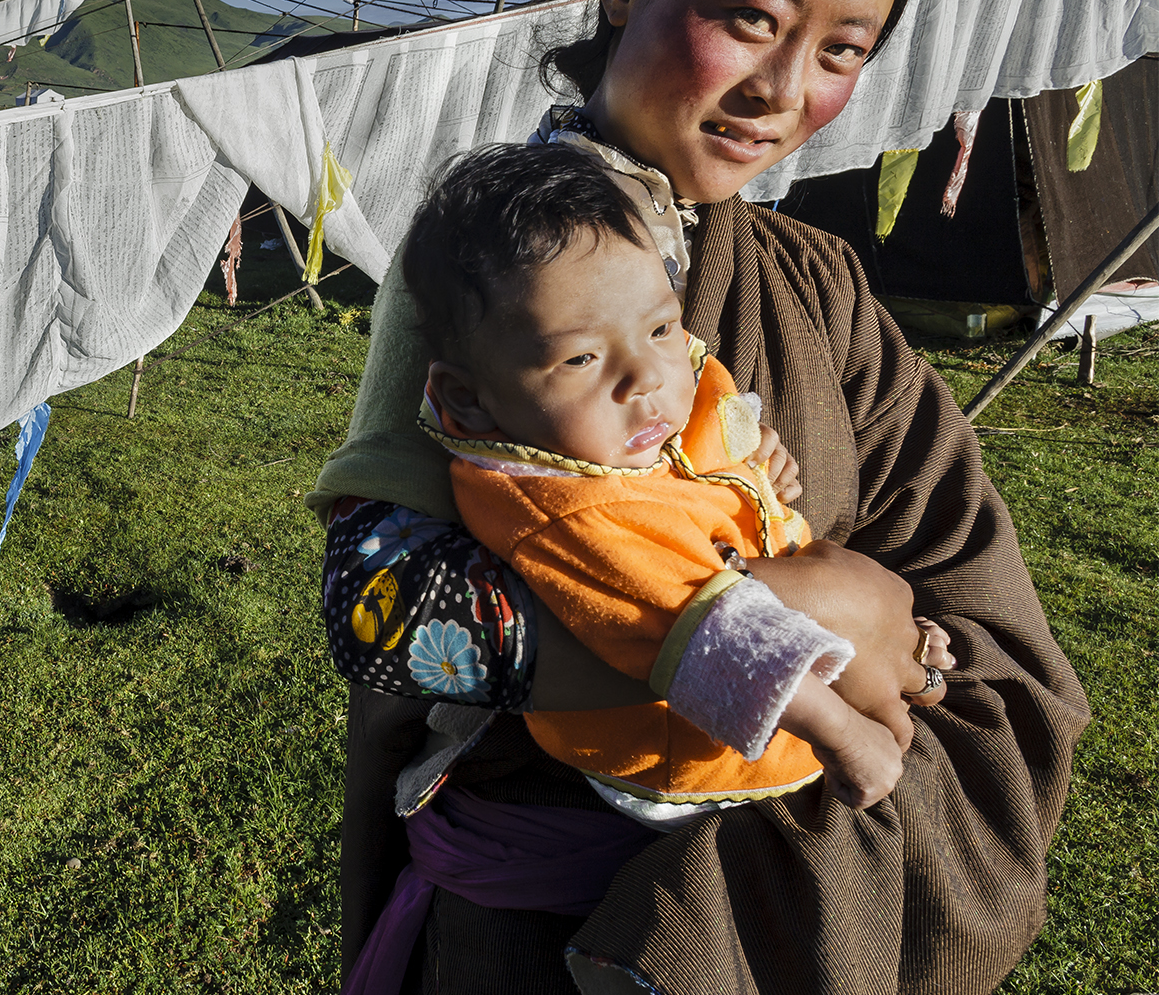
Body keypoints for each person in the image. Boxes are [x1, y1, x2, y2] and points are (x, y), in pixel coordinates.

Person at [311, 0, 1089, 995]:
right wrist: (812, 628)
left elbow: (963, 581)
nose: (784, 89)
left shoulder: (817, 281)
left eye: (842, 50)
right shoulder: (493, 278)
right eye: (750, 18)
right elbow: (382, 614)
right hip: (526, 966)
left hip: (769, 927)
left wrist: (899, 630)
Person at [402, 142, 955, 827]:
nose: (647, 378)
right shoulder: (566, 511)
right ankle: (873, 671)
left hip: (773, 621)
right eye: (581, 357)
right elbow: (712, 638)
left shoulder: (613, 417)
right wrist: (846, 736)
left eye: (662, 327)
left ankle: (882, 650)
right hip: (695, 753)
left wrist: (750, 460)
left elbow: (709, 420)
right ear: (470, 399)